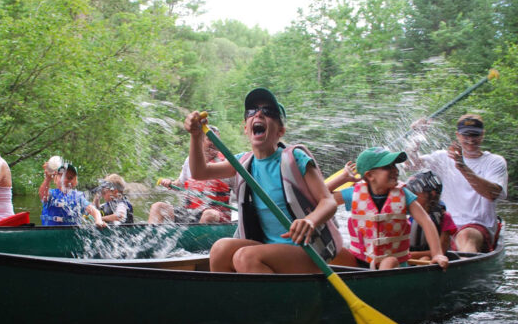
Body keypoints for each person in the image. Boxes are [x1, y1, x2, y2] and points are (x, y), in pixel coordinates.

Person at [184, 87, 342, 274]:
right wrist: (196, 136)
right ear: (246, 128)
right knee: (220, 249)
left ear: (280, 131)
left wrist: (310, 221)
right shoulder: (241, 162)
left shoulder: (295, 158)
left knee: (245, 256)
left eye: (268, 112)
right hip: (266, 247)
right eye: (252, 111)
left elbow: (328, 201)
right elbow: (199, 172)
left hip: (308, 250)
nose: (258, 113)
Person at [330, 147, 448, 270]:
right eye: (388, 167)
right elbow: (321, 198)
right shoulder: (354, 193)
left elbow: (426, 221)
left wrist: (437, 254)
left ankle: (379, 284)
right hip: (360, 261)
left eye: (394, 166)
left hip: (393, 263)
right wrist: (342, 178)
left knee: (388, 261)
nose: (395, 170)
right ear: (370, 175)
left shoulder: (403, 195)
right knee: (333, 251)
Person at [408, 113, 507, 252]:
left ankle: (462, 267)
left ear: (482, 135)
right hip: (445, 224)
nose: (470, 140)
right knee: (413, 229)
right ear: (458, 135)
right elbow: (410, 164)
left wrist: (462, 166)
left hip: (477, 227)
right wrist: (417, 136)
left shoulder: (495, 161)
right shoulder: (442, 157)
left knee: (466, 236)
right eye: (466, 135)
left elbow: (491, 194)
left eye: (475, 135)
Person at [148, 125, 232, 224]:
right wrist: (170, 183)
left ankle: (197, 239)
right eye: (210, 139)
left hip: (217, 214)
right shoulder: (190, 161)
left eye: (217, 140)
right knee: (157, 207)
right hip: (191, 212)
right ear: (200, 141)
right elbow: (179, 184)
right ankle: (150, 238)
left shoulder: (227, 163)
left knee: (209, 214)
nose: (214, 143)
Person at [406, 170, 457, 260]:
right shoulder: (407, 216)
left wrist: (408, 255)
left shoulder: (444, 217)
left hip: (432, 260)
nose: (411, 197)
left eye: (415, 193)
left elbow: (442, 251)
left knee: (425, 258)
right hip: (407, 259)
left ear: (432, 194)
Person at [38, 160, 106, 228]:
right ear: (55, 179)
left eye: (70, 178)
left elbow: (94, 210)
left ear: (75, 182)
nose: (65, 180)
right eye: (62, 176)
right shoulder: (51, 194)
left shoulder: (78, 197)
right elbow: (43, 196)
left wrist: (98, 220)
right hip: (50, 233)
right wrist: (47, 179)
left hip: (72, 234)